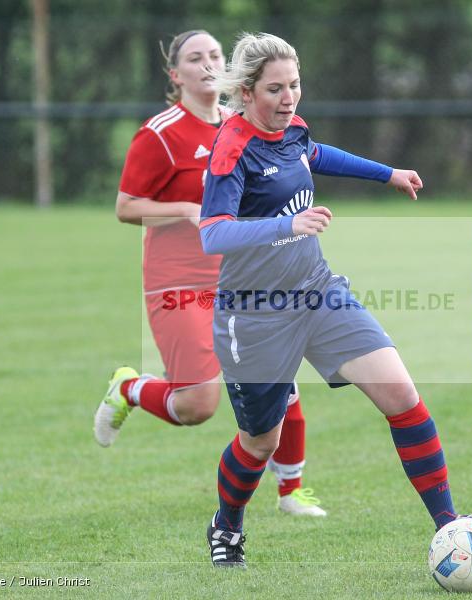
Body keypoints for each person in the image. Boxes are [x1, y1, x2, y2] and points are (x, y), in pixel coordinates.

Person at [199, 32, 472, 567]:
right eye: (275, 88)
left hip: (317, 293)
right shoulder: (231, 148)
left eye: (294, 85)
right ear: (246, 93)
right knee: (260, 444)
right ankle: (226, 528)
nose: (289, 97)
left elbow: (316, 154)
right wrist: (286, 223)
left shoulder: (291, 129)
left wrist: (388, 173)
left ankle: (450, 525)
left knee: (402, 397)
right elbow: (212, 234)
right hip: (253, 315)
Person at [93, 30, 327, 517]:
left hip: (241, 275)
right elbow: (124, 207)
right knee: (198, 405)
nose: (207, 64)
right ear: (175, 75)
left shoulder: (242, 125)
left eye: (216, 55)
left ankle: (291, 491)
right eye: (194, 58)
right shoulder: (159, 133)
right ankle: (130, 389)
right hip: (178, 279)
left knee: (279, 380)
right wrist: (185, 208)